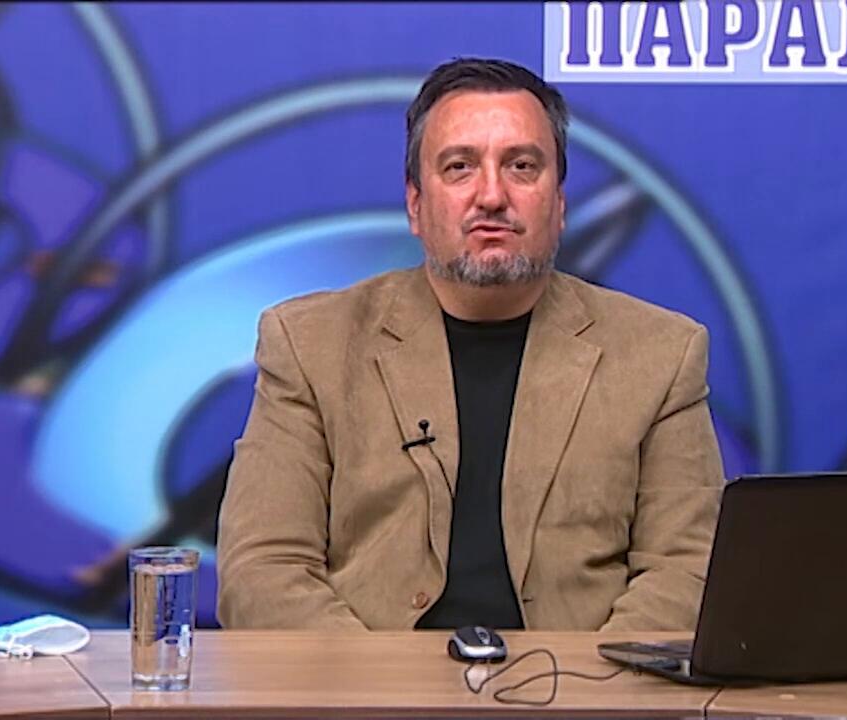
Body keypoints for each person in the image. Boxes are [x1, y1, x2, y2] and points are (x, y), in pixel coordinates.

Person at [216, 57, 723, 632]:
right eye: (459, 167)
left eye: (522, 166)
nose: (491, 195)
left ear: (559, 205)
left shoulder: (661, 355)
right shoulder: (310, 345)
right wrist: (374, 681)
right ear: (415, 205)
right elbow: (263, 571)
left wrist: (584, 681)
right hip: (367, 679)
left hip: (581, 680)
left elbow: (688, 571)